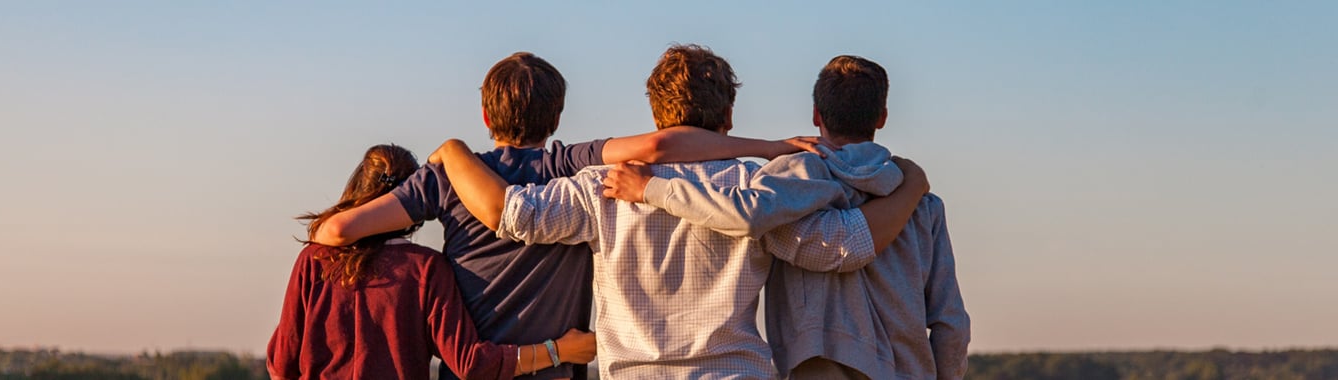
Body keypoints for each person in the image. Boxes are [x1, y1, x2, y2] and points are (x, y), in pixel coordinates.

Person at [310, 52, 853, 379]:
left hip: (478, 367)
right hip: (565, 365)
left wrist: (449, 157)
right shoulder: (567, 164)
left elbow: (335, 232)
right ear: (558, 114)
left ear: (484, 113)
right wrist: (767, 148)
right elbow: (663, 147)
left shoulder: (455, 176)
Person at [429, 44, 931, 378]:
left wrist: (453, 152)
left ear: (655, 114)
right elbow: (843, 247)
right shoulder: (755, 188)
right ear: (729, 115)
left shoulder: (601, 187)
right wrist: (910, 188)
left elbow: (512, 215)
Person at [603, 55, 971, 379]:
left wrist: (652, 189)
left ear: (816, 115)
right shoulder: (924, 205)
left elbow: (748, 214)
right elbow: (950, 320)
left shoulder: (789, 185)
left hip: (820, 365)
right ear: (882, 117)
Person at [266, 144, 598, 380]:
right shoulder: (425, 269)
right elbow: (470, 364)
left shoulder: (314, 259)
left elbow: (282, 365)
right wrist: (559, 351)